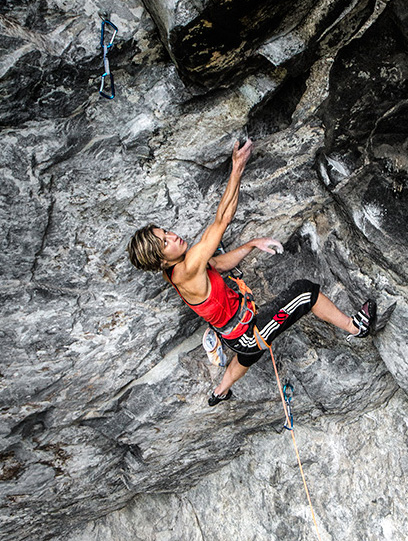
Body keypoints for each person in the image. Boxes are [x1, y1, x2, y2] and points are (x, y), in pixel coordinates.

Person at [127, 139, 376, 406]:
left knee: (247, 355)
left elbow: (218, 265)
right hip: (248, 333)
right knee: (305, 293)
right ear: (161, 261)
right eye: (165, 242)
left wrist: (251, 245)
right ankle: (356, 327)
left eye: (165, 232)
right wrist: (237, 167)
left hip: (233, 337)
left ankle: (220, 391)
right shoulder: (187, 268)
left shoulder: (178, 271)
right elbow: (221, 220)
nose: (173, 236)